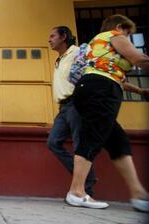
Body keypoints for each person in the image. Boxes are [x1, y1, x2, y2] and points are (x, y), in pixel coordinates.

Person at [65, 14, 149, 212]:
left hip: (91, 88)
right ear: (120, 27)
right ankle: (76, 192)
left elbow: (112, 73)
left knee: (118, 142)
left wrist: (139, 91)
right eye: (128, 34)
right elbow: (138, 59)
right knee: (93, 136)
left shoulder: (99, 46)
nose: (127, 38)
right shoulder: (114, 35)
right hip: (101, 90)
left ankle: (139, 194)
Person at [47, 26, 97, 197]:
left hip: (76, 103)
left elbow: (92, 71)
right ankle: (83, 180)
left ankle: (85, 189)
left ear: (64, 36)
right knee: (53, 142)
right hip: (63, 108)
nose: (49, 39)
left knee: (80, 145)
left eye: (53, 36)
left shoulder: (77, 52)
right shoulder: (59, 59)